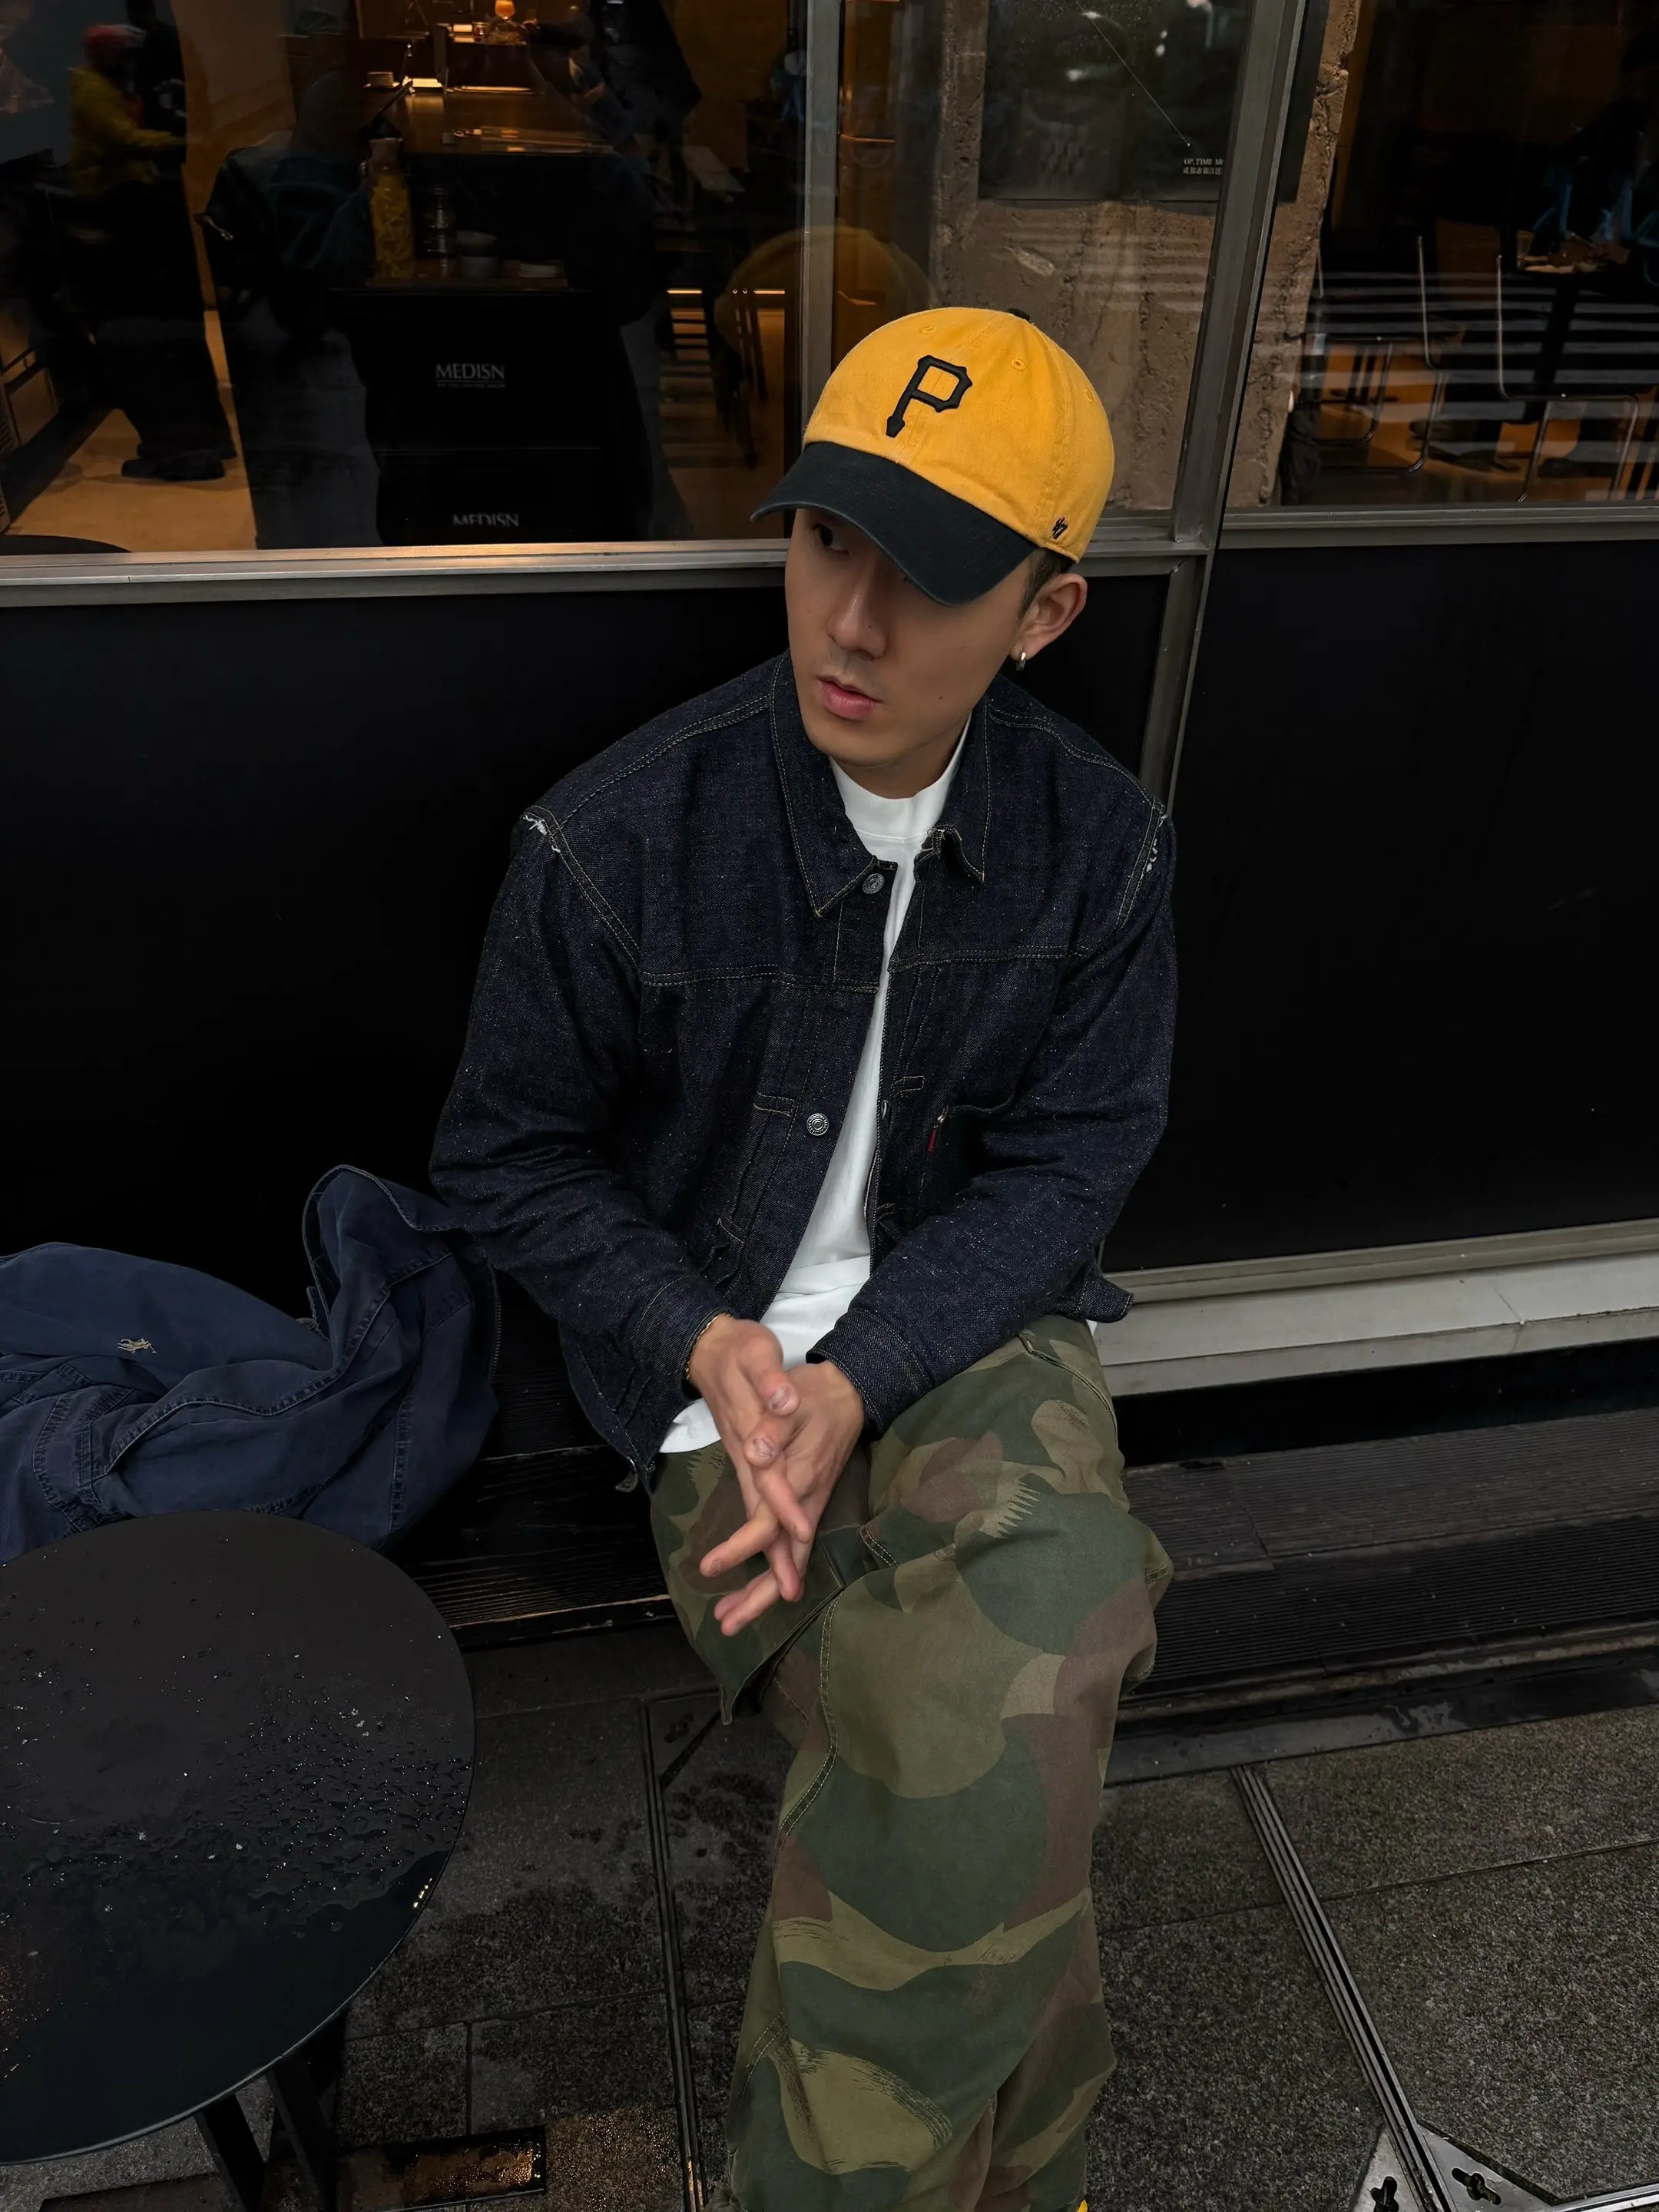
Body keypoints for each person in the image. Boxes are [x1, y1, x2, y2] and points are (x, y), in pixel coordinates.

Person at [432, 305, 1176, 2212]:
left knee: (1053, 1613)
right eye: (828, 539)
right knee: (988, 1747)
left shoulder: (1097, 844)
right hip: (721, 1374)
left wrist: (871, 1370)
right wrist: (708, 1343)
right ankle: (1025, 2181)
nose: (851, 621)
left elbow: (1074, 1163)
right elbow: (502, 1157)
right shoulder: (619, 840)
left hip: (962, 1324)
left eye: (928, 575)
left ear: (1045, 614)